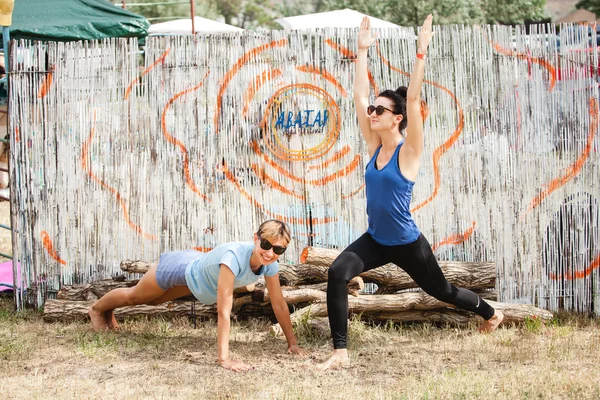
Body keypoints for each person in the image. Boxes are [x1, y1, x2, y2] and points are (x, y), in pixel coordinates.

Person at [317, 15, 504, 371]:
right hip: (375, 239)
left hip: (407, 242)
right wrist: (361, 52)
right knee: (338, 271)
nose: (371, 112)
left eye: (380, 110)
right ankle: (340, 351)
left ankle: (491, 313)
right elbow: (358, 95)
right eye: (372, 109)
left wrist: (421, 53)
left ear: (398, 118)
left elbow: (414, 97)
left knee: (443, 291)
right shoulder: (375, 145)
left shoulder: (410, 151)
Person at [89, 219, 307, 372]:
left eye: (278, 250)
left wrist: (293, 343)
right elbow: (223, 311)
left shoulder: (269, 265)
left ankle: (109, 312)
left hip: (197, 278)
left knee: (154, 300)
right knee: (136, 297)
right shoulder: (233, 258)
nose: (270, 253)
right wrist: (224, 359)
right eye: (266, 244)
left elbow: (278, 304)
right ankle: (98, 309)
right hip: (181, 268)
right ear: (256, 239)